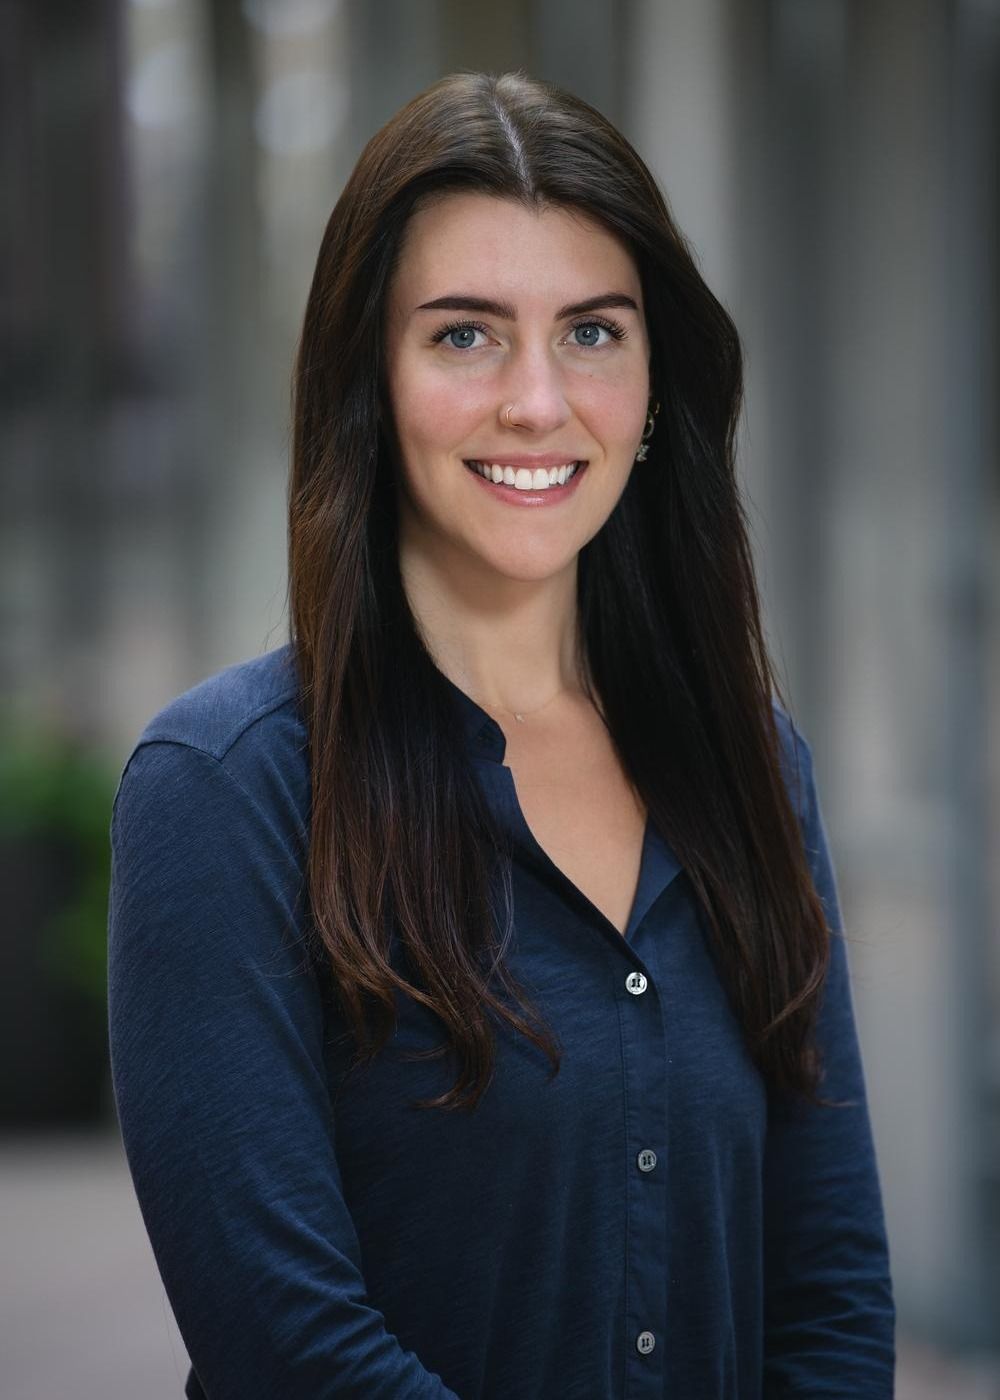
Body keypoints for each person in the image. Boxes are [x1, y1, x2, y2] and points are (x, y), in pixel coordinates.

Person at [107, 69, 895, 1399]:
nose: (539, 401)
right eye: (465, 335)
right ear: (369, 379)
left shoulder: (750, 764)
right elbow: (290, 1350)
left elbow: (829, 1302)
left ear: (654, 391)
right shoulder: (228, 793)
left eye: (593, 333)